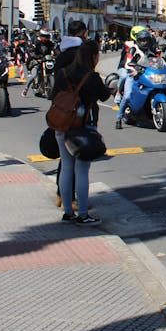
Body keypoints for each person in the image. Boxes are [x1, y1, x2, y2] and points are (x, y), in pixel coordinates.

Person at [50, 39, 110, 226]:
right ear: (93, 56)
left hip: (61, 125)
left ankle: (68, 212)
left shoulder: (63, 73)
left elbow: (53, 95)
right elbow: (104, 95)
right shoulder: (91, 77)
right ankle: (83, 214)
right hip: (82, 128)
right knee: (82, 171)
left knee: (66, 168)